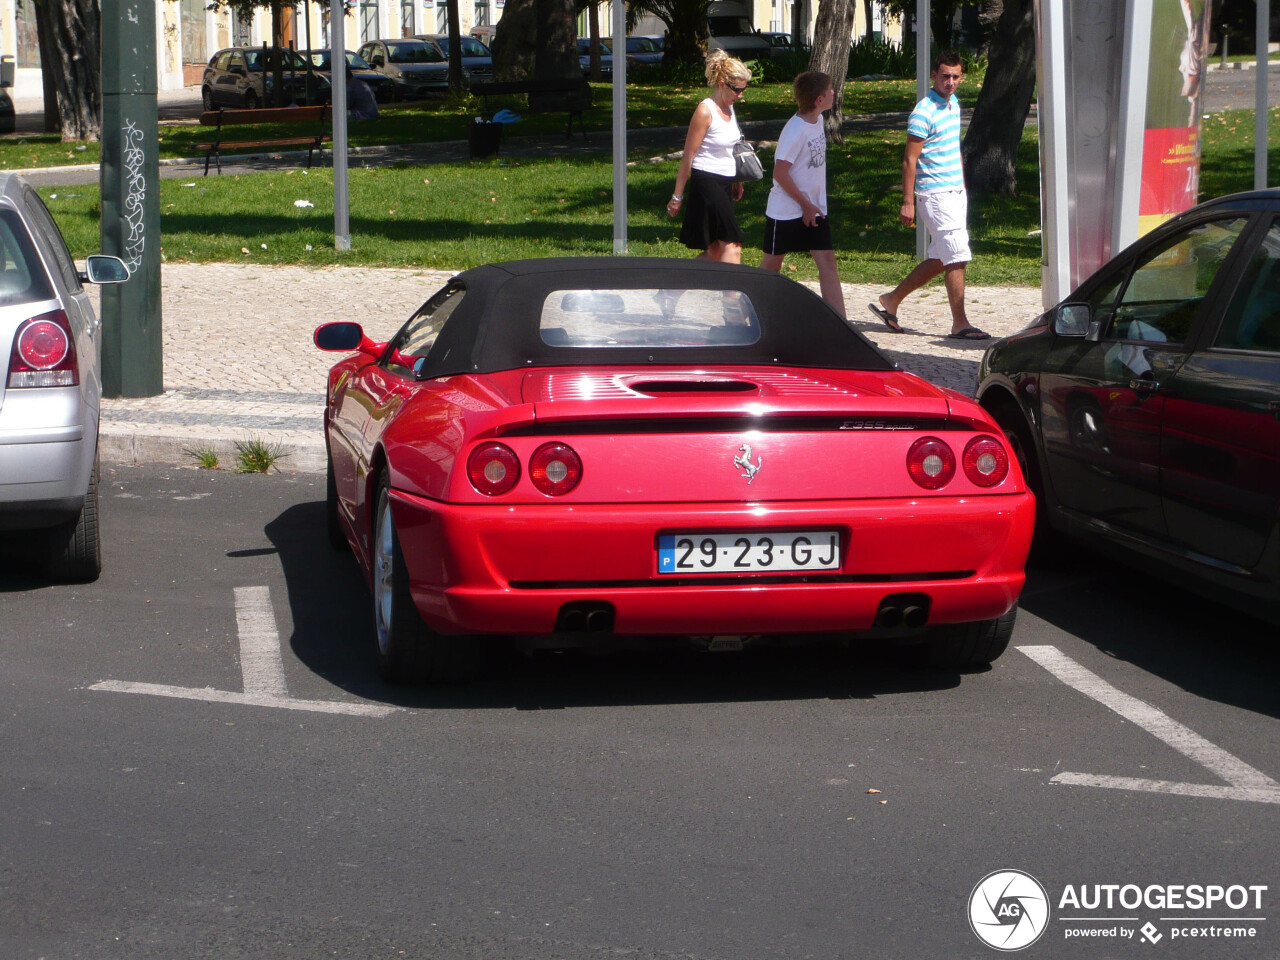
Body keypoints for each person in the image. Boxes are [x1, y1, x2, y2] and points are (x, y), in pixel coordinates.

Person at [869, 51, 988, 340]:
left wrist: (961, 183)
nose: (950, 82)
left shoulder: (954, 104)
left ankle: (891, 300)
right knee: (957, 254)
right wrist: (907, 202)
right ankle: (960, 323)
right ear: (934, 76)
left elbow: (952, 146)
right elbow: (910, 160)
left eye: (956, 76)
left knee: (941, 257)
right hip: (934, 194)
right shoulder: (923, 112)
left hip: (955, 192)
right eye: (945, 76)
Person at [759, 70, 845, 318]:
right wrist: (805, 205)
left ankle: (841, 327)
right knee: (771, 268)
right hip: (785, 212)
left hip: (815, 209)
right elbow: (779, 172)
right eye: (830, 90)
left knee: (827, 261)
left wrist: (812, 206)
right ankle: (752, 316)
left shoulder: (817, 120)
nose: (833, 93)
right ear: (819, 99)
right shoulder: (795, 130)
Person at [666, 50, 752, 263]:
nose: (740, 95)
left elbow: (730, 148)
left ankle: (673, 289)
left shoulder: (730, 109)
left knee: (715, 249)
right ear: (722, 83)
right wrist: (677, 196)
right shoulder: (705, 111)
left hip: (725, 181)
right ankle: (732, 296)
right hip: (706, 181)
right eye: (737, 90)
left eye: (743, 90)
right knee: (733, 243)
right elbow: (688, 156)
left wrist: (737, 180)